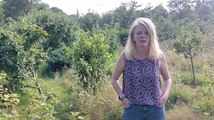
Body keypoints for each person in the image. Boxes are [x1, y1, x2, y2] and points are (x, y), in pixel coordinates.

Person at [111, 17, 172, 120]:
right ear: (133, 37)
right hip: (132, 109)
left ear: (151, 36)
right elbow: (114, 79)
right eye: (139, 33)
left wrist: (164, 96)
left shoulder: (158, 56)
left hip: (156, 108)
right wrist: (122, 97)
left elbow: (167, 79)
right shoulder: (126, 57)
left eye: (147, 33)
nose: (143, 36)